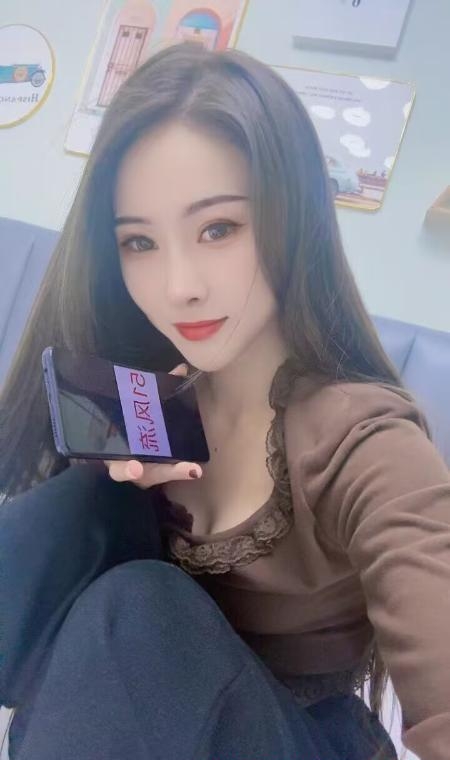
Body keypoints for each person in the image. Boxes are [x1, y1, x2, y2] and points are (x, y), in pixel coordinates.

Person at [0, 41, 449, 760]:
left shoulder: (363, 441)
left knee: (136, 605)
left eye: (219, 229)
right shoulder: (150, 400)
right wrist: (113, 499)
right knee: (86, 510)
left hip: (294, 738)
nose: (179, 286)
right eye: (139, 242)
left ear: (293, 219)